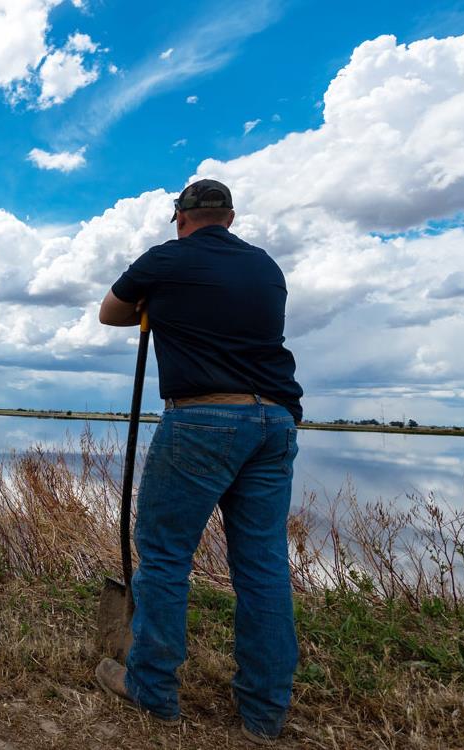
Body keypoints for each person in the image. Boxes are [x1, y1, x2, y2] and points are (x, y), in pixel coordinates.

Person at [94, 179, 303, 745]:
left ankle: (153, 688)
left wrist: (151, 301)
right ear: (229, 217)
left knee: (163, 558)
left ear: (180, 218)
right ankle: (264, 713)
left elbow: (109, 313)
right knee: (262, 567)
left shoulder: (167, 260)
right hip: (275, 420)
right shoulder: (266, 268)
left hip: (203, 418)